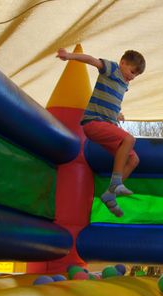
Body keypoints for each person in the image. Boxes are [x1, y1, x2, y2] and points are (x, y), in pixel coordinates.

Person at [56, 47, 145, 217]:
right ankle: (116, 182)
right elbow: (91, 60)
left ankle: (110, 196)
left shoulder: (123, 85)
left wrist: (116, 113)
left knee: (133, 159)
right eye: (132, 71)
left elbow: (110, 101)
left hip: (108, 124)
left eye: (136, 75)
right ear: (123, 63)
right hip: (93, 123)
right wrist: (69, 56)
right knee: (129, 139)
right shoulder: (111, 69)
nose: (132, 77)